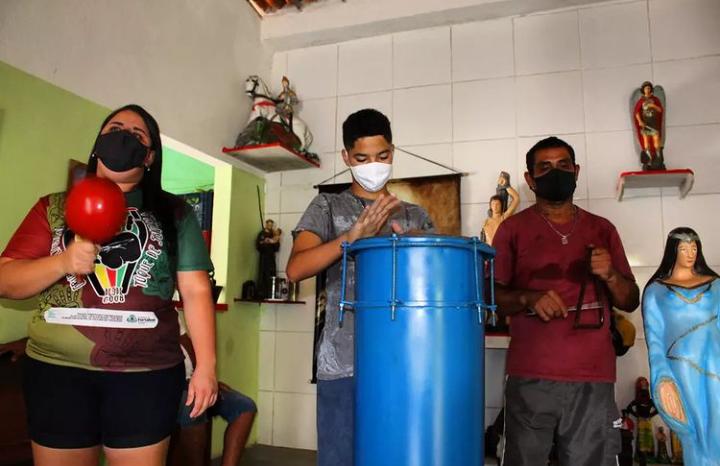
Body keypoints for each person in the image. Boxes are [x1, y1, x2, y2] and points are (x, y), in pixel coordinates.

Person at [0, 104, 218, 466]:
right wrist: (63, 262)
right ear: (98, 143)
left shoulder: (176, 213)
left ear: (149, 156)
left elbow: (196, 291)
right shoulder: (53, 207)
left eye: (136, 134)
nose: (123, 137)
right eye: (114, 129)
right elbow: (6, 280)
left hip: (146, 374)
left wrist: (206, 367)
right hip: (56, 373)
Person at [286, 108, 434, 466]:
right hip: (342, 362)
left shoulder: (414, 215)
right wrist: (352, 237)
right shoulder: (327, 205)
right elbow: (295, 269)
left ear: (392, 152)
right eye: (362, 158)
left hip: (405, 360)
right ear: (346, 157)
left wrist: (419, 248)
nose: (374, 166)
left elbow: (434, 286)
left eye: (382, 156)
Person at [492, 136, 640, 466]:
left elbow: (630, 300)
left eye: (563, 165)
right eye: (544, 167)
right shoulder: (512, 230)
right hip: (530, 375)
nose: (555, 172)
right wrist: (528, 298)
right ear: (530, 179)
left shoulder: (603, 229)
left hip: (593, 376)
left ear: (576, 172)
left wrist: (610, 275)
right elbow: (491, 298)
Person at [643, 227, 720, 466]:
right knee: (694, 432)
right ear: (673, 251)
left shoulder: (716, 285)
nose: (690, 253)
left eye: (694, 248)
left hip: (716, 363)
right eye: (684, 248)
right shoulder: (656, 291)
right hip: (681, 367)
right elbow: (655, 339)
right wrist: (662, 377)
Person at [169, 316, 256, 466]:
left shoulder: (171, 312)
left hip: (193, 381)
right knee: (194, 407)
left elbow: (187, 344)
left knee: (245, 406)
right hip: (170, 385)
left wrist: (208, 379)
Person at [633, 81, 665, 170]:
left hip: (654, 124)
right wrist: (640, 121)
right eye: (646, 88)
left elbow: (660, 110)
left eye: (649, 88)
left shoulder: (655, 100)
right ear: (643, 90)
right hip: (645, 124)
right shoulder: (641, 101)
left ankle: (658, 160)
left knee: (656, 142)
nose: (648, 90)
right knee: (646, 142)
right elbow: (636, 112)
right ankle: (648, 161)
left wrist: (653, 106)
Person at [481, 172, 520, 245]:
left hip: (502, 250)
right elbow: (482, 242)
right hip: (488, 251)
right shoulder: (485, 222)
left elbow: (516, 198)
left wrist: (506, 185)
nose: (495, 206)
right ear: (490, 206)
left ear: (501, 206)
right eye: (493, 204)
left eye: (497, 204)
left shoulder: (503, 218)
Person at [256, 219, 281, 299]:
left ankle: (271, 293)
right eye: (269, 225)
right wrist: (264, 242)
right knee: (263, 274)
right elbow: (258, 245)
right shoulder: (261, 234)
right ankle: (262, 293)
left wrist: (275, 241)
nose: (270, 226)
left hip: (271, 257)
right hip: (264, 257)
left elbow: (276, 248)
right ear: (266, 225)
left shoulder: (273, 234)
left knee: (271, 273)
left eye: (271, 225)